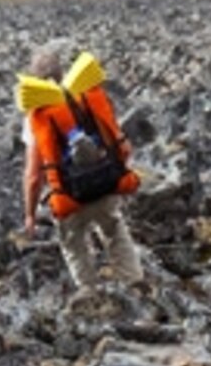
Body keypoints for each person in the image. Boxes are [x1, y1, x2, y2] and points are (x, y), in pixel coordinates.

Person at [19, 43, 145, 295]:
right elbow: (117, 139)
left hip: (70, 195)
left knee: (74, 243)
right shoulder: (85, 97)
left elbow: (34, 176)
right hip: (106, 180)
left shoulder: (38, 116)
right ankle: (133, 287)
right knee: (114, 230)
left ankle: (90, 295)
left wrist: (31, 214)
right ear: (62, 72)